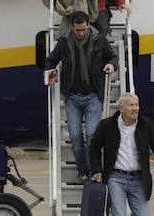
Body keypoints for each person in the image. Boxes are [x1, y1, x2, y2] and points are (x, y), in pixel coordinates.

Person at [44, 10, 118, 182]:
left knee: (92, 135)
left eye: (84, 29)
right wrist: (50, 75)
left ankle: (94, 171)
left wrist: (111, 65)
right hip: (73, 97)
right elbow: (51, 60)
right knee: (76, 136)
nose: (81, 33)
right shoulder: (64, 42)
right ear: (72, 27)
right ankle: (82, 170)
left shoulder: (99, 40)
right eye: (78, 30)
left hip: (93, 95)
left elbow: (113, 57)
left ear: (88, 25)